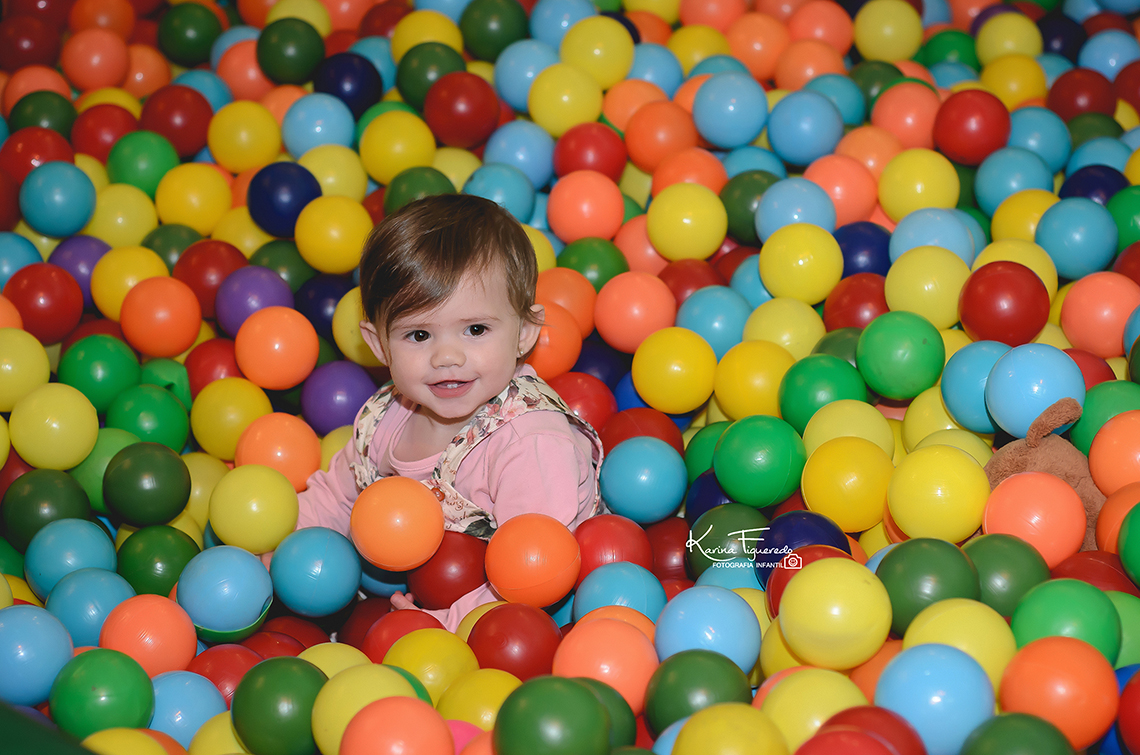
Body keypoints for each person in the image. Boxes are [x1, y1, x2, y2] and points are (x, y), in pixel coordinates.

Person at [294, 194, 604, 630]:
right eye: (419, 335)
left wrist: (447, 623)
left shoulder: (529, 443)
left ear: (524, 333)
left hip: (511, 615)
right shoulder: (385, 417)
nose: (447, 356)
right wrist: (280, 549)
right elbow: (336, 495)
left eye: (475, 329)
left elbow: (533, 570)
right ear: (379, 344)